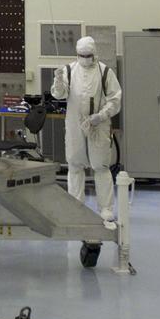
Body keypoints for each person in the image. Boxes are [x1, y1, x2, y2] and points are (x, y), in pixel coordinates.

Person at [51, 35, 122, 226]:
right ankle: (75, 206)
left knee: (101, 166)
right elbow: (59, 94)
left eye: (87, 55)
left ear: (94, 53)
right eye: (81, 55)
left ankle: (106, 209)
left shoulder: (105, 72)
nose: (84, 58)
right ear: (77, 54)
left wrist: (100, 116)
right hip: (75, 125)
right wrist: (58, 80)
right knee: (74, 164)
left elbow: (115, 100)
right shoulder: (69, 70)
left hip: (98, 125)